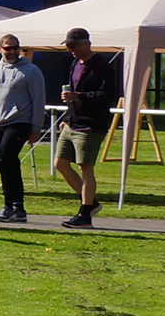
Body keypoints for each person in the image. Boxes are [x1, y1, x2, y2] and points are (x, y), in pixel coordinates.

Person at [51, 27, 121, 230]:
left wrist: (79, 96)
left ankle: (85, 214)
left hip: (91, 124)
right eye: (68, 46)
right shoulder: (75, 63)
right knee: (60, 163)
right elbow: (73, 93)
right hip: (72, 122)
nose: (70, 49)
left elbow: (107, 95)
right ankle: (91, 203)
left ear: (86, 43)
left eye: (73, 45)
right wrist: (67, 116)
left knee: (85, 167)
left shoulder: (101, 66)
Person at [0, 33, 45, 224]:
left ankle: (12, 205)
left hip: (19, 122)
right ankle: (16, 207)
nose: (13, 51)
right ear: (0, 49)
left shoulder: (31, 71)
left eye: (16, 47)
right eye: (8, 48)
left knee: (5, 159)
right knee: (6, 163)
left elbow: (38, 100)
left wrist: (36, 128)